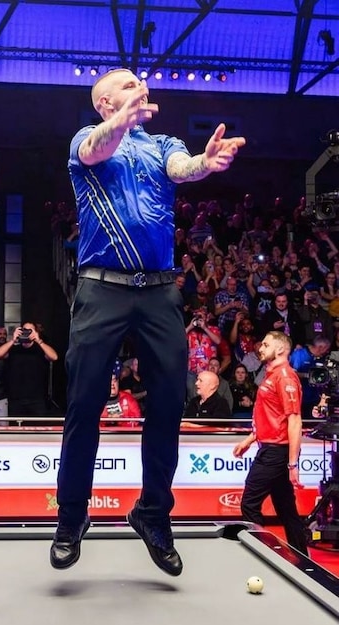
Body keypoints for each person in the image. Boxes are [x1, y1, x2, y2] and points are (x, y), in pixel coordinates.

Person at [52, 68, 245, 577]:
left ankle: (153, 514)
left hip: (159, 289)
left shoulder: (162, 142)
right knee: (85, 405)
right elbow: (95, 148)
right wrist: (119, 120)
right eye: (127, 83)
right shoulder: (87, 140)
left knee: (167, 406)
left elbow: (183, 168)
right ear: (104, 101)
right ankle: (72, 517)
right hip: (101, 288)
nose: (140, 85)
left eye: (141, 81)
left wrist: (208, 161)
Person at [232, 331, 310, 554]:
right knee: (286, 508)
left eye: (266, 345)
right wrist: (250, 439)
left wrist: (293, 464)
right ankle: (302, 556)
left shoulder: (285, 376)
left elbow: (294, 421)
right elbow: (272, 415)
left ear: (280, 350)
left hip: (276, 452)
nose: (260, 348)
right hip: (268, 445)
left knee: (249, 504)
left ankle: (262, 554)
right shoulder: (270, 373)